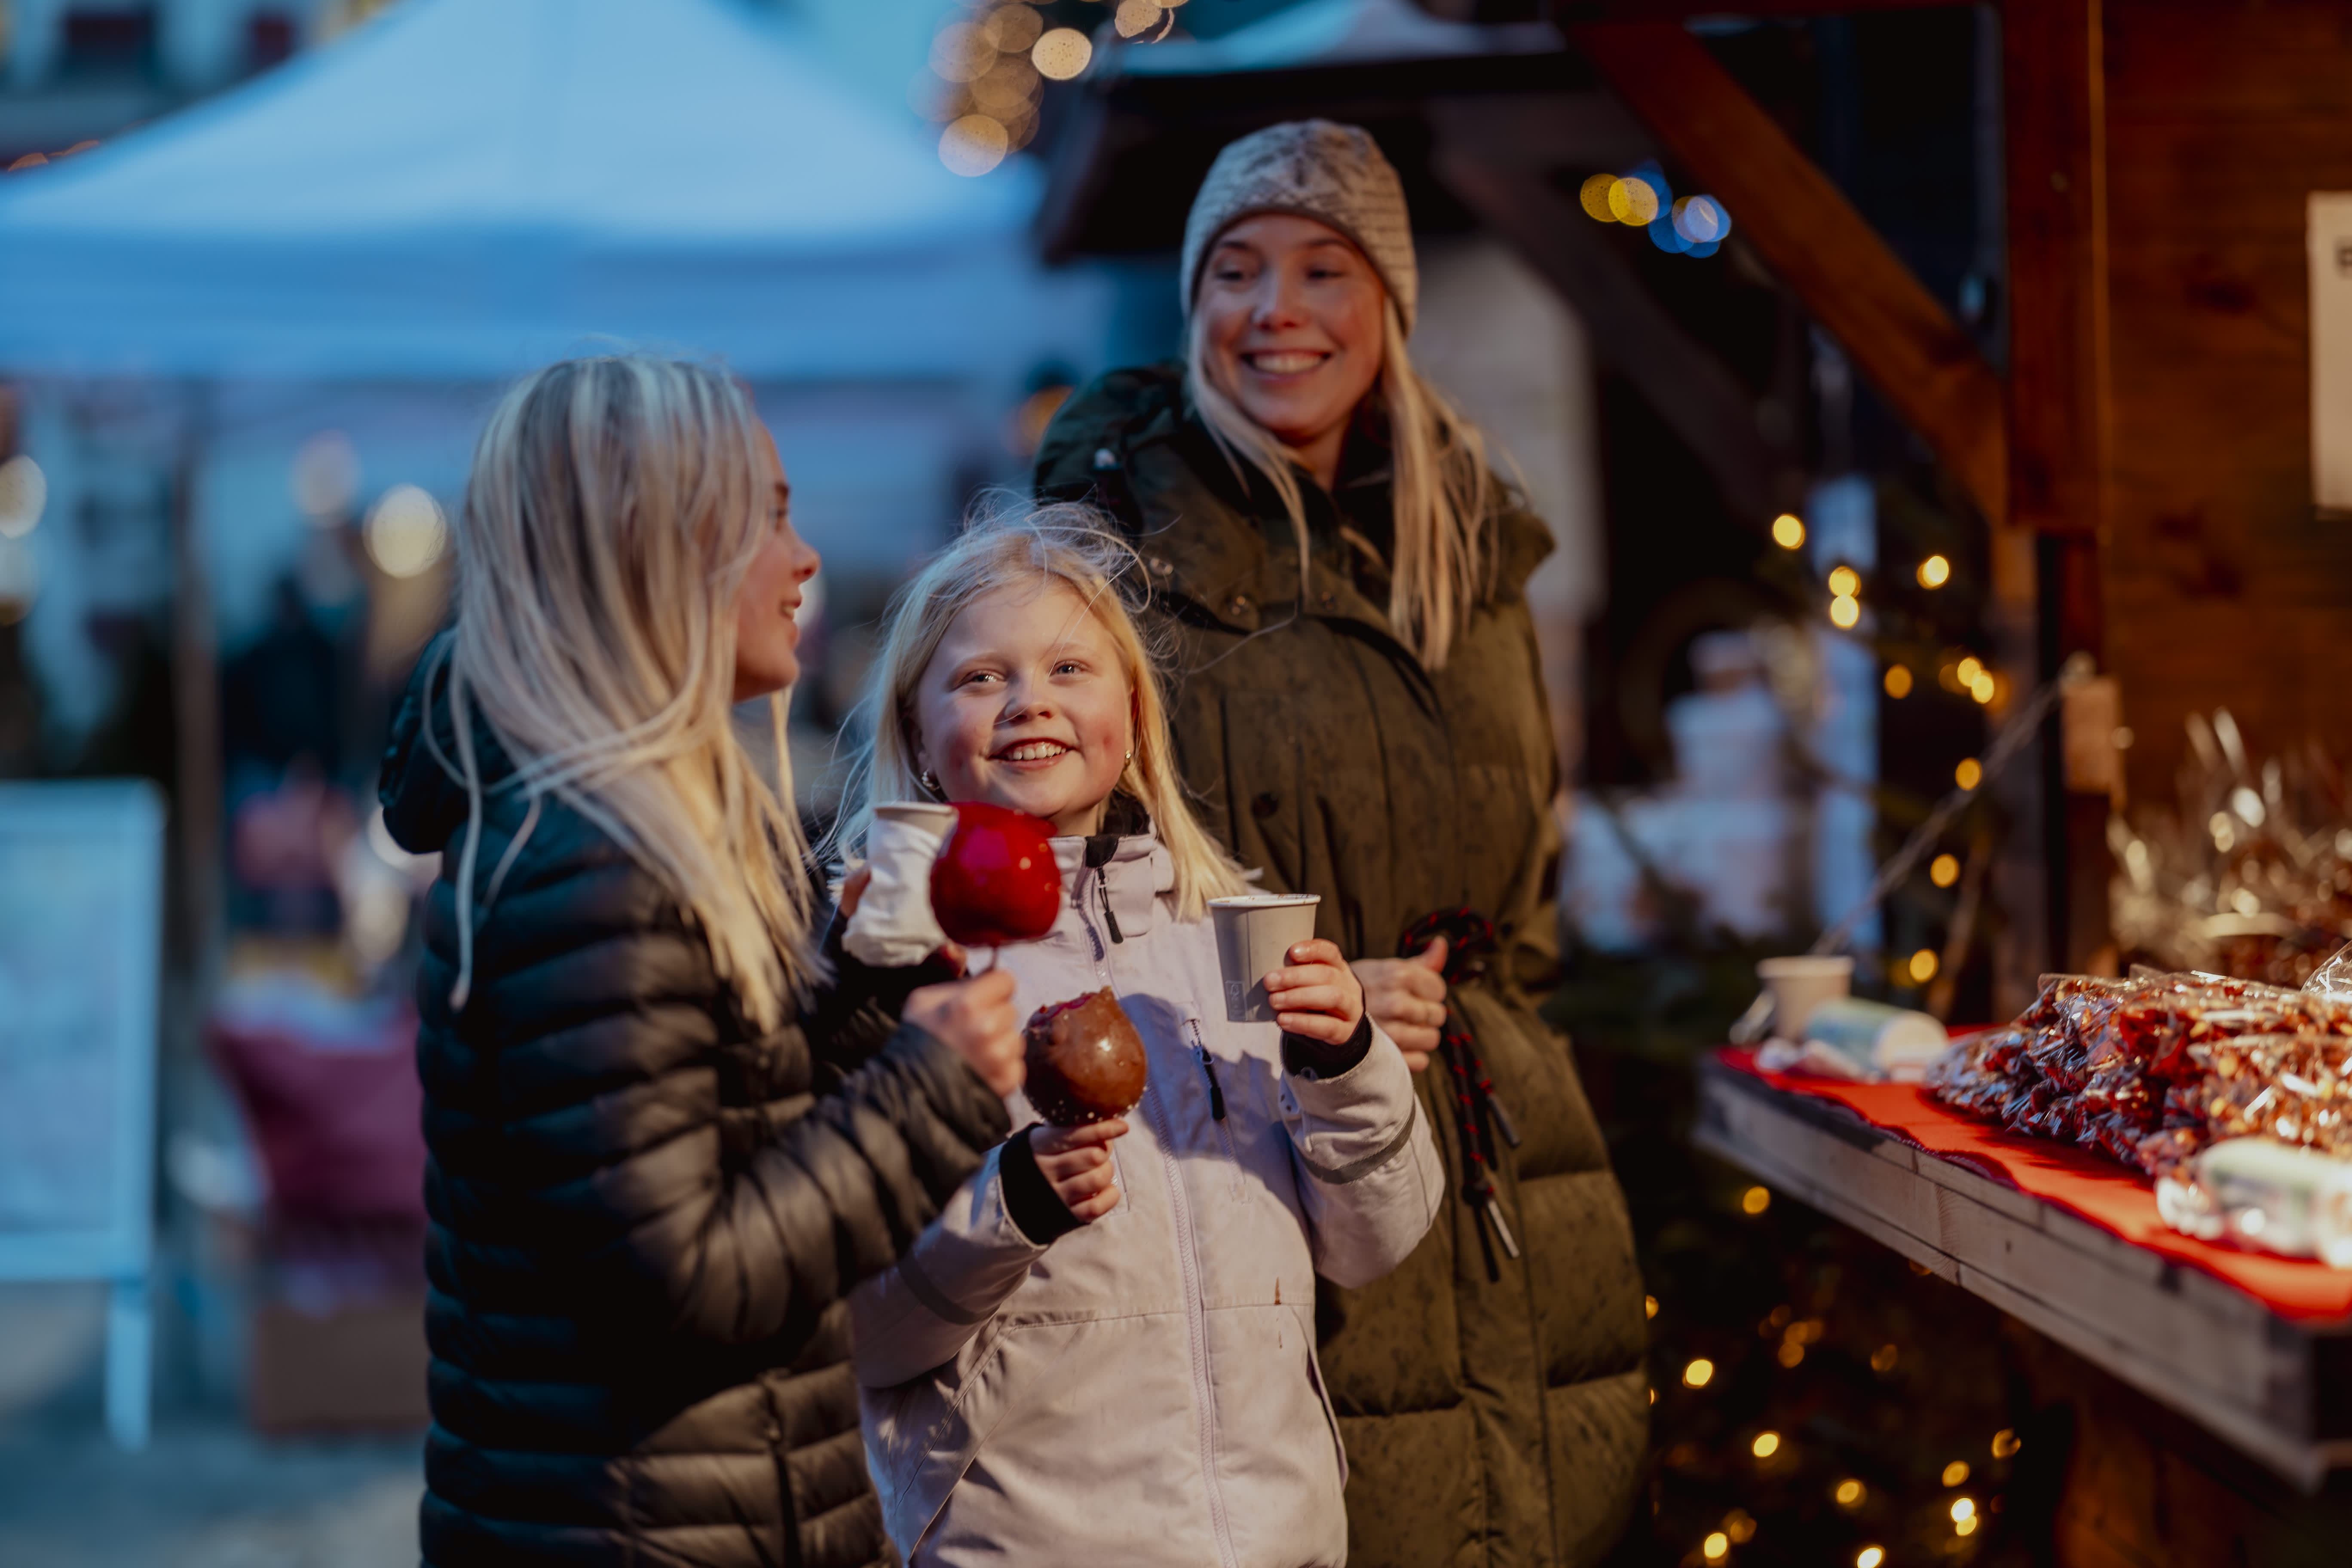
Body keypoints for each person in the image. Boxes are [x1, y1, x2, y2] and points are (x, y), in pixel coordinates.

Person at [1035, 121, 1649, 1567]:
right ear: (1192, 304)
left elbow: (1530, 895)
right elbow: (1068, 898)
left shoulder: (1473, 543)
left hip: (1510, 1172)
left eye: (1325, 267)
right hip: (1265, 1169)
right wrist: (1304, 999)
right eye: (1236, 270)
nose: (1278, 311)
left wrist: (1473, 1006)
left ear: (1391, 302)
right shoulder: (1118, 547)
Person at [380, 355, 1026, 1568]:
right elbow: (686, 1288)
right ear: (652, 544)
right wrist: (932, 1091)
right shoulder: (591, 863)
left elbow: (719, 1120)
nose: (805, 558)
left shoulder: (646, 822)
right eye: (769, 515)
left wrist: (866, 990)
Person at [835, 511, 1442, 1565]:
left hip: (1279, 1537)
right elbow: (862, 1333)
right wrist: (1011, 1205)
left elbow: (1373, 1243)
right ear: (919, 737)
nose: (1030, 699)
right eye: (980, 678)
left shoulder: (1232, 940)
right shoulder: (893, 973)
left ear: (1132, 711)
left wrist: (1346, 1066)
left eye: (1070, 665)